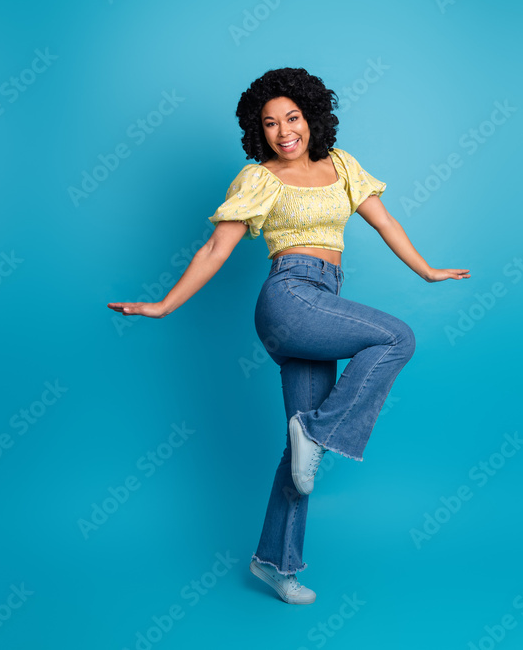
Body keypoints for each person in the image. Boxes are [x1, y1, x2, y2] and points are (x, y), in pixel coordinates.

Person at [107, 67, 470, 605]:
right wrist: (164, 305)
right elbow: (214, 249)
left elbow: (385, 221)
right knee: (396, 339)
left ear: (311, 116)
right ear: (261, 133)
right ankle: (319, 431)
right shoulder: (259, 177)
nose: (284, 132)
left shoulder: (341, 165)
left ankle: (274, 563)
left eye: (292, 118)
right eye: (271, 124)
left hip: (326, 298)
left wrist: (426, 270)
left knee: (298, 464)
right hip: (290, 298)